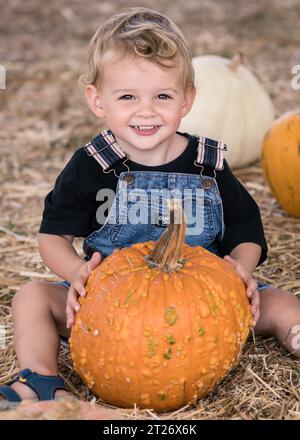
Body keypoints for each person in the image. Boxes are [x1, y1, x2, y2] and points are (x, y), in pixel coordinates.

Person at [1, 7, 299, 404]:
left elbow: (247, 230)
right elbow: (53, 236)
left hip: (206, 307)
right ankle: (40, 380)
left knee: (281, 303)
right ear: (97, 100)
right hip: (109, 309)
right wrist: (77, 273)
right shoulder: (92, 165)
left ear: (186, 100)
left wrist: (240, 269)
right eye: (127, 96)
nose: (146, 110)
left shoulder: (207, 164)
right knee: (31, 298)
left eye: (162, 96)